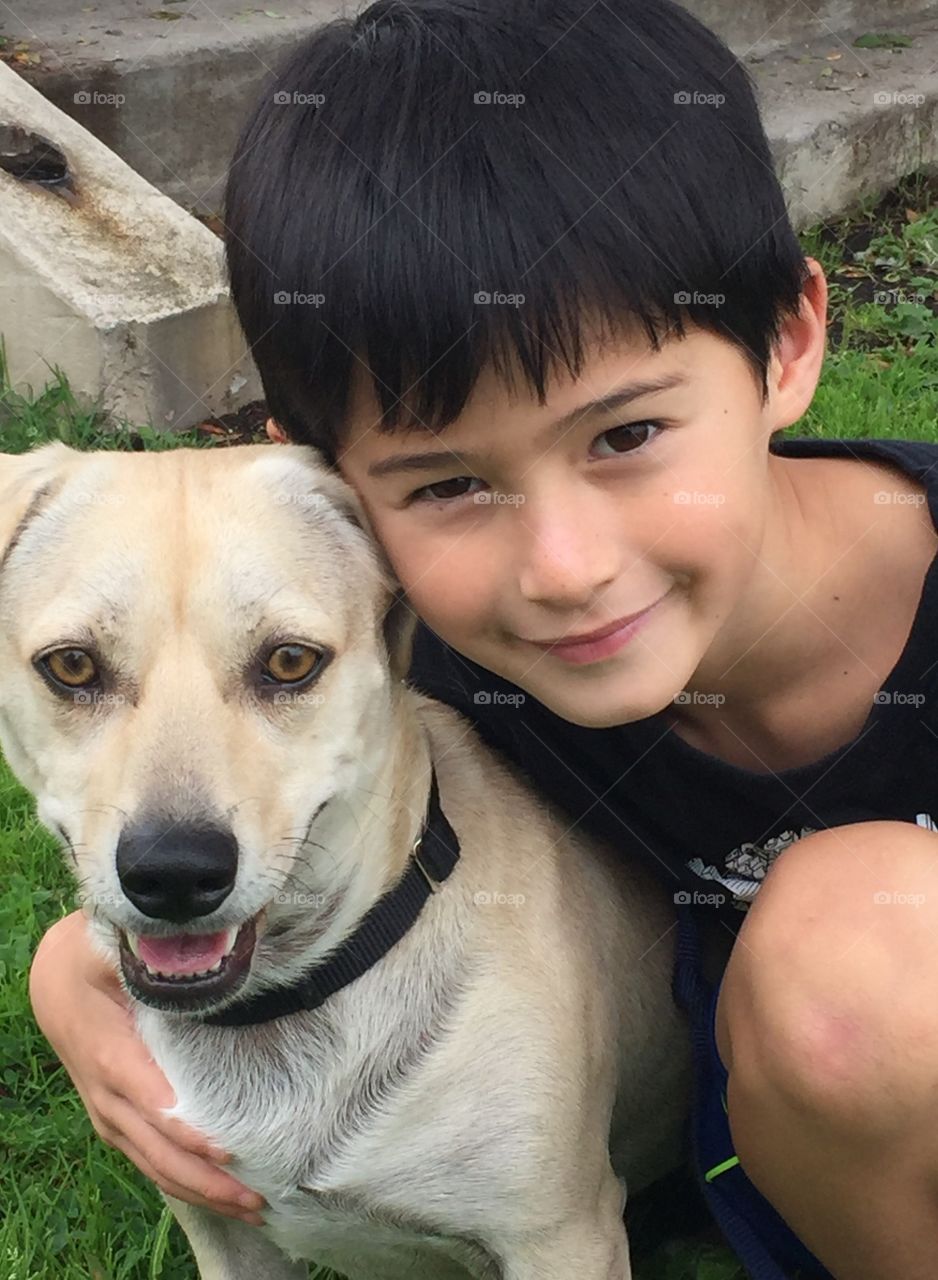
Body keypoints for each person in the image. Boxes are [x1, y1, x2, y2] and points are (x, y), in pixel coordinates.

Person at [27, 1, 938, 1275]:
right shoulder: (415, 640)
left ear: (786, 343)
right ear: (339, 496)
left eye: (624, 435)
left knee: (855, 954)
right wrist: (69, 964)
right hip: (743, 1117)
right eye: (446, 481)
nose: (562, 569)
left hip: (872, 1040)